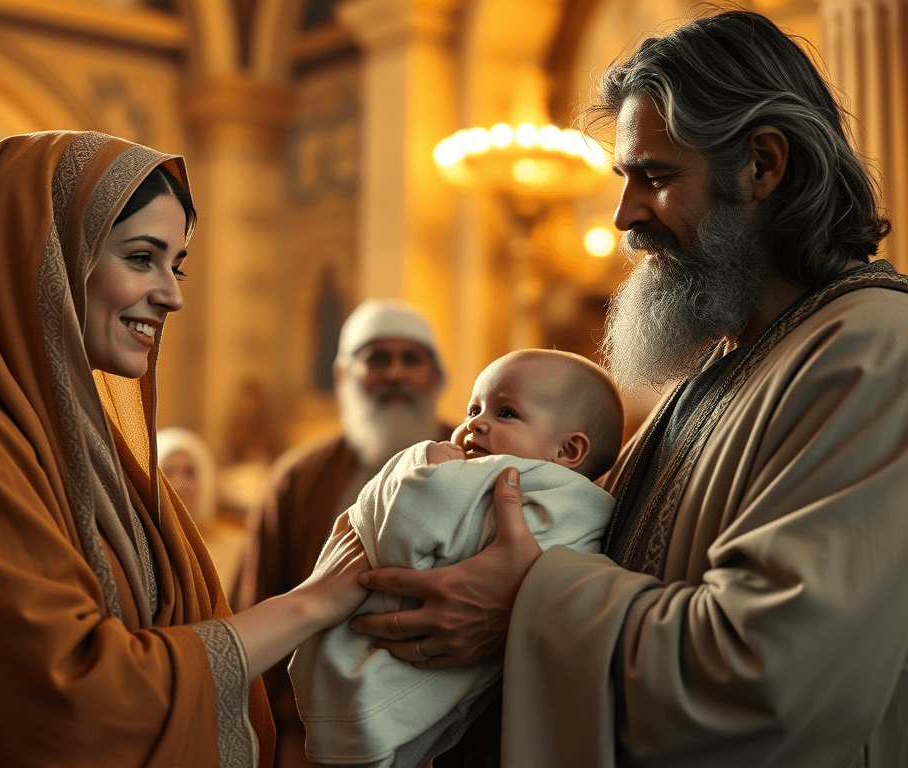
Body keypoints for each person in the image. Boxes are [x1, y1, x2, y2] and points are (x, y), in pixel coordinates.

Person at [346, 9, 908, 767]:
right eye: (624, 179)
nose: (624, 215)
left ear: (763, 166)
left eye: (657, 176)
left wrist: (526, 601)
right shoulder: (722, 368)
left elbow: (769, 679)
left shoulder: (875, 350)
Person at [0, 130, 368, 767]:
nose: (172, 294)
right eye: (142, 257)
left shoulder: (70, 435)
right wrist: (314, 600)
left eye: (177, 264)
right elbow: (78, 700)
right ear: (45, 256)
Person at [289, 349, 623, 768]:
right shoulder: (590, 508)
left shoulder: (513, 484)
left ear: (569, 451)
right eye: (474, 408)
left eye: (506, 413)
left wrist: (420, 464)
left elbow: (401, 533)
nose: (474, 424)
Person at [231, 297, 455, 768]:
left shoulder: (479, 462)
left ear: (436, 377)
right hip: (315, 738)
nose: (395, 373)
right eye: (376, 358)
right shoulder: (299, 478)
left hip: (447, 735)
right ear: (342, 377)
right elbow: (257, 597)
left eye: (411, 359)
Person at [158, 426, 247, 589]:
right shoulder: (141, 548)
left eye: (189, 472)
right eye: (167, 472)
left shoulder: (239, 547)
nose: (178, 486)